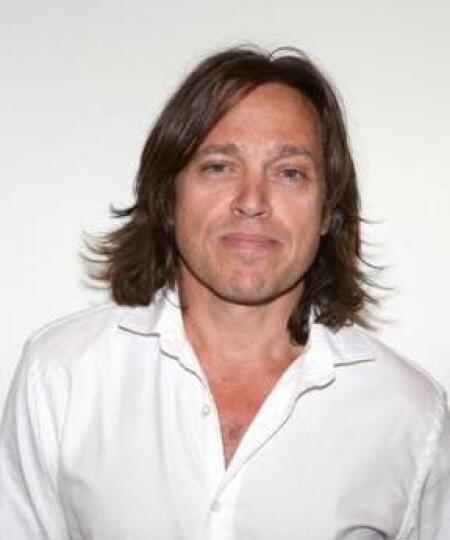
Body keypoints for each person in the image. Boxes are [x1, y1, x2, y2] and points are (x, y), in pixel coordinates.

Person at [1, 46, 449, 540]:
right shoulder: (63, 375)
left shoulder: (410, 413)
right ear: (168, 197)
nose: (253, 201)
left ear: (328, 211)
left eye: (290, 172)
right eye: (219, 166)